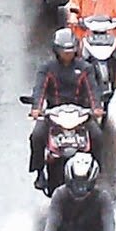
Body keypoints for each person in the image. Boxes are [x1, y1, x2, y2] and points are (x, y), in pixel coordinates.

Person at [28, 28, 100, 182]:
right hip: (54, 114)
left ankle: (96, 170)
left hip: (80, 114)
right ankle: (39, 172)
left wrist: (96, 108)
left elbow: (93, 89)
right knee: (36, 137)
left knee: (97, 136)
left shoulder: (85, 68)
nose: (68, 54)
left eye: (70, 50)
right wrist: (36, 108)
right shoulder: (47, 68)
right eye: (64, 51)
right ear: (56, 51)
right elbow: (39, 88)